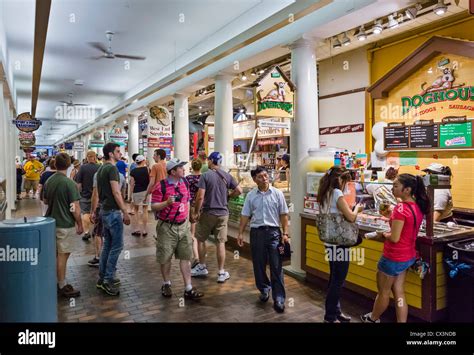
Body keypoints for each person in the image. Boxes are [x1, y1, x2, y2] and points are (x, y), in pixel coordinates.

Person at [361, 174, 430, 323]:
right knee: (399, 293)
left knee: (384, 292)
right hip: (408, 256)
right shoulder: (416, 206)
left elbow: (394, 238)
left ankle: (373, 318)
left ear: (407, 190)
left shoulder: (400, 208)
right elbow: (405, 227)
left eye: (396, 186)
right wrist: (391, 216)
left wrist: (382, 234)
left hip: (393, 257)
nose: (392, 189)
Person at [237, 166, 289, 313]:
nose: (265, 178)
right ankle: (264, 289)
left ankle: (279, 298)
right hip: (257, 233)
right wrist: (240, 233)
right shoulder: (251, 196)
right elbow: (245, 215)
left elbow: (284, 215)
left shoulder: (278, 194)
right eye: (260, 176)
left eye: (266, 175)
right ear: (255, 179)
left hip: (274, 233)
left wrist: (285, 233)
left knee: (276, 265)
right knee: (258, 264)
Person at [151, 158, 204, 300]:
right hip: (166, 227)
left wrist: (190, 215)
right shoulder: (160, 186)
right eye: (180, 167)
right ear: (173, 171)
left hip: (183, 226)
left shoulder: (185, 182)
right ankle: (166, 283)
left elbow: (187, 201)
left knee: (185, 257)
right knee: (166, 257)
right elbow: (153, 206)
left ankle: (188, 288)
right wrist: (166, 203)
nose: (184, 169)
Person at [317, 166, 364, 323]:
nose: (346, 185)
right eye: (346, 181)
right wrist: (357, 208)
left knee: (334, 277)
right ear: (339, 180)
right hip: (340, 243)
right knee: (338, 280)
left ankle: (336, 312)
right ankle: (330, 316)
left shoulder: (324, 192)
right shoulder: (336, 192)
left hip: (329, 242)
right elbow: (351, 217)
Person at [191, 152, 242, 283]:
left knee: (200, 239)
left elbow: (200, 196)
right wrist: (229, 196)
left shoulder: (205, 176)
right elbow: (239, 190)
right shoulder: (227, 175)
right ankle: (221, 272)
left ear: (211, 161)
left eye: (208, 160)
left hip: (208, 212)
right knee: (220, 242)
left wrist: (196, 212)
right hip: (223, 213)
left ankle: (202, 266)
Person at [92, 142, 131, 296]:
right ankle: (108, 278)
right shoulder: (112, 169)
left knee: (107, 245)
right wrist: (125, 211)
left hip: (104, 210)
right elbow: (116, 192)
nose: (120, 153)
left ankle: (102, 278)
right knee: (117, 246)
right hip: (113, 212)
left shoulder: (101, 169)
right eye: (117, 151)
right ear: (110, 154)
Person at [43, 153, 84, 297]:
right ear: (68, 165)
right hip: (65, 224)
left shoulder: (49, 181)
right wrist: (79, 223)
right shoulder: (69, 183)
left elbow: (46, 201)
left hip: (50, 223)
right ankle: (62, 285)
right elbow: (74, 207)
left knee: (55, 255)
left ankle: (57, 281)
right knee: (63, 256)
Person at [75, 151, 99, 242]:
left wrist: (77, 194)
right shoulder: (99, 168)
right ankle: (96, 231)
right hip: (97, 195)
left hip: (85, 195)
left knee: (85, 213)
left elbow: (79, 184)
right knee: (96, 213)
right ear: (95, 157)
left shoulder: (82, 168)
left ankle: (86, 232)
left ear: (87, 157)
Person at [185, 159, 202, 268]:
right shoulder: (204, 178)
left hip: (192, 206)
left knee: (193, 233)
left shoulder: (188, 179)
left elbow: (185, 192)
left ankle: (196, 257)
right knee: (201, 233)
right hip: (203, 206)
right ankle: (201, 256)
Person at [130, 155, 150, 237]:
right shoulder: (148, 170)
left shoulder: (133, 171)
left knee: (136, 210)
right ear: (143, 161)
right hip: (146, 191)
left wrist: (130, 195)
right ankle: (144, 230)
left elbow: (132, 184)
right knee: (145, 210)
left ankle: (137, 229)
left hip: (136, 191)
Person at [88, 172, 103, 267]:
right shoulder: (120, 175)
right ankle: (109, 259)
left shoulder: (98, 174)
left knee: (98, 233)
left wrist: (93, 211)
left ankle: (98, 257)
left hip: (101, 208)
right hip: (114, 209)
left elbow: (96, 194)